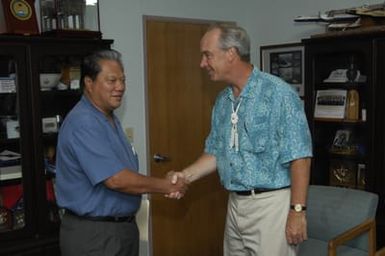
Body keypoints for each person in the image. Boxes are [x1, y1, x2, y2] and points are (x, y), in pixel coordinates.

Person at [169, 23, 313, 255]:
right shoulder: (223, 101)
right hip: (236, 205)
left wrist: (297, 212)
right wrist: (184, 176)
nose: (202, 63)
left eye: (207, 55)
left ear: (231, 54)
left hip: (271, 206)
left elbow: (300, 157)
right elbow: (216, 152)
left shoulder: (278, 94)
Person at [56, 49, 187, 256]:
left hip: (119, 230)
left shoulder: (108, 118)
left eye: (123, 80)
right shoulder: (84, 122)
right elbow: (116, 179)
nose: (120, 87)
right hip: (95, 235)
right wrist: (165, 185)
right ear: (89, 84)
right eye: (111, 81)